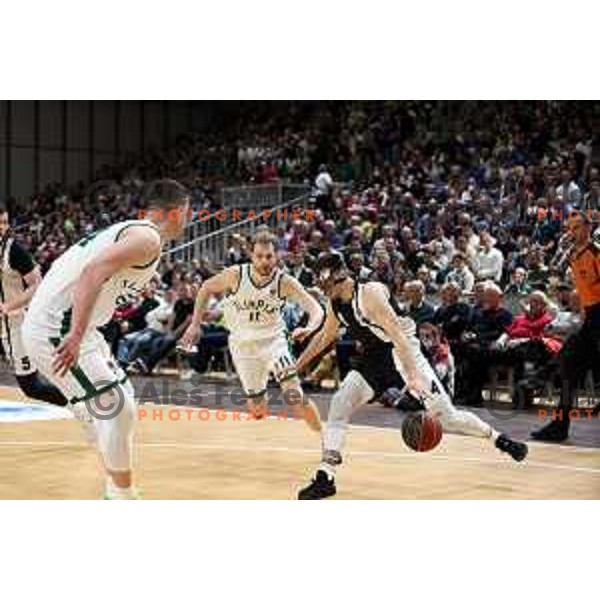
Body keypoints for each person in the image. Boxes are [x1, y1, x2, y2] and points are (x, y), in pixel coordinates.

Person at [291, 253, 527, 500]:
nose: (322, 289)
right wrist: (296, 365)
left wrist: (413, 376)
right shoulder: (336, 302)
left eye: (324, 284)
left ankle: (499, 439)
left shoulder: (370, 293)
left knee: (448, 418)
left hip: (404, 351)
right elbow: (325, 337)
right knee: (340, 402)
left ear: (338, 277)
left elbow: (399, 337)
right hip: (377, 356)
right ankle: (325, 476)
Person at [21, 179, 190, 499]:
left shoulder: (133, 232)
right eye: (187, 211)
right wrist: (73, 334)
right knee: (117, 408)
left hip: (80, 329)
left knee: (119, 401)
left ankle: (109, 469)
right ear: (176, 212)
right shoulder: (147, 238)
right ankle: (120, 495)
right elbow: (91, 274)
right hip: (58, 330)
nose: (189, 216)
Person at [180, 229, 325, 431]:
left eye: (269, 256)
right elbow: (206, 288)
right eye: (259, 256)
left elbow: (316, 309)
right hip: (243, 344)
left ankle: (325, 440)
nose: (264, 261)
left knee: (294, 396)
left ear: (277, 256)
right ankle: (260, 394)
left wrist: (309, 327)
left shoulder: (284, 282)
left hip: (274, 342)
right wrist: (195, 324)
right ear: (251, 255)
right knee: (257, 409)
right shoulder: (236, 275)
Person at [532, 214, 600, 441]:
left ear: (589, 228)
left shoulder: (596, 252)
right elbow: (584, 292)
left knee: (572, 359)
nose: (573, 232)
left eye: (577, 227)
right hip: (591, 318)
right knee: (569, 365)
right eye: (570, 228)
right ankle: (560, 425)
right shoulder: (572, 256)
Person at [0, 203, 68, 407]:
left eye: (4, 222)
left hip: (16, 323)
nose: (2, 227)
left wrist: (7, 306)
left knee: (32, 387)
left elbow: (36, 285)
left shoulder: (14, 251)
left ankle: (78, 405)